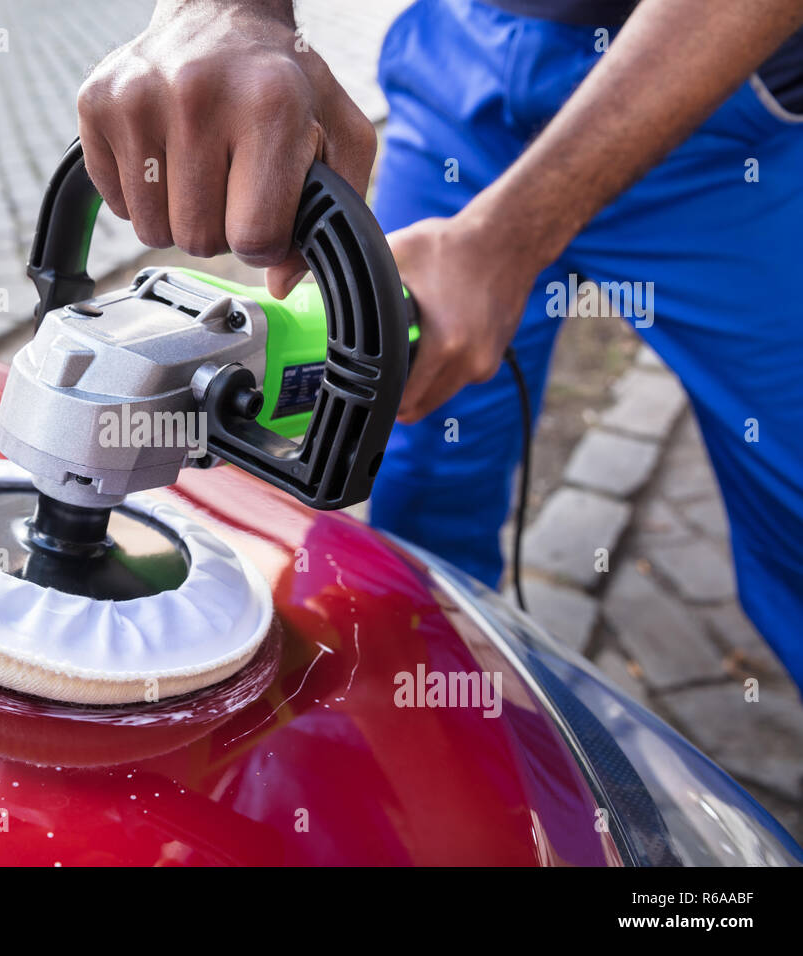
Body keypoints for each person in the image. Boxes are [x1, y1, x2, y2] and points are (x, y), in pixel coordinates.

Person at [75, 0, 803, 688]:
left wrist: (511, 236)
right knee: (422, 484)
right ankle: (443, 745)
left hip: (722, 96)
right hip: (468, 65)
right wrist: (229, 10)